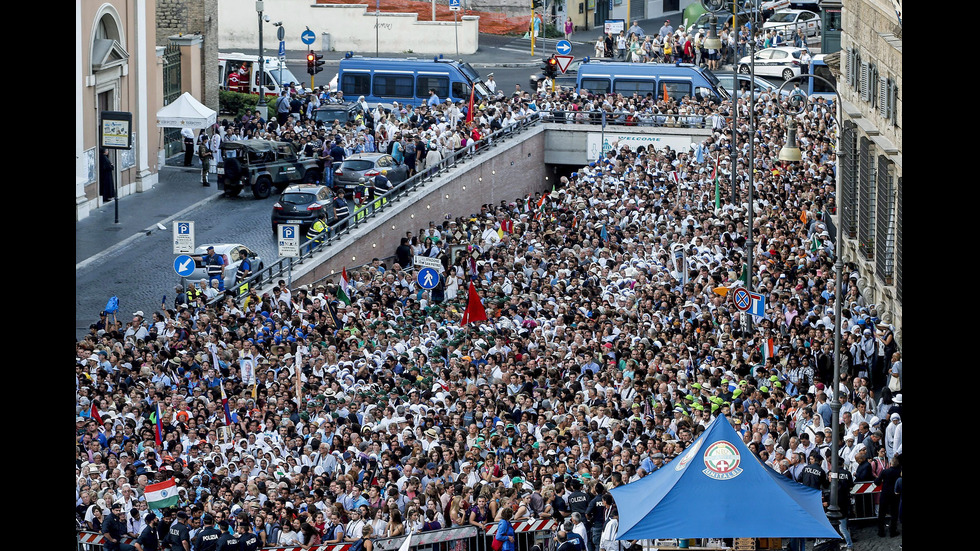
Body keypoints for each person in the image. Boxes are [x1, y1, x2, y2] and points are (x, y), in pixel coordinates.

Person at [875, 456, 901, 537]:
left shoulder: (885, 472)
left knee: (882, 513)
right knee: (894, 514)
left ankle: (881, 531)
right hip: (895, 495)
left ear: (890, 464)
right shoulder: (899, 472)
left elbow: (877, 482)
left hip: (885, 494)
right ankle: (892, 531)